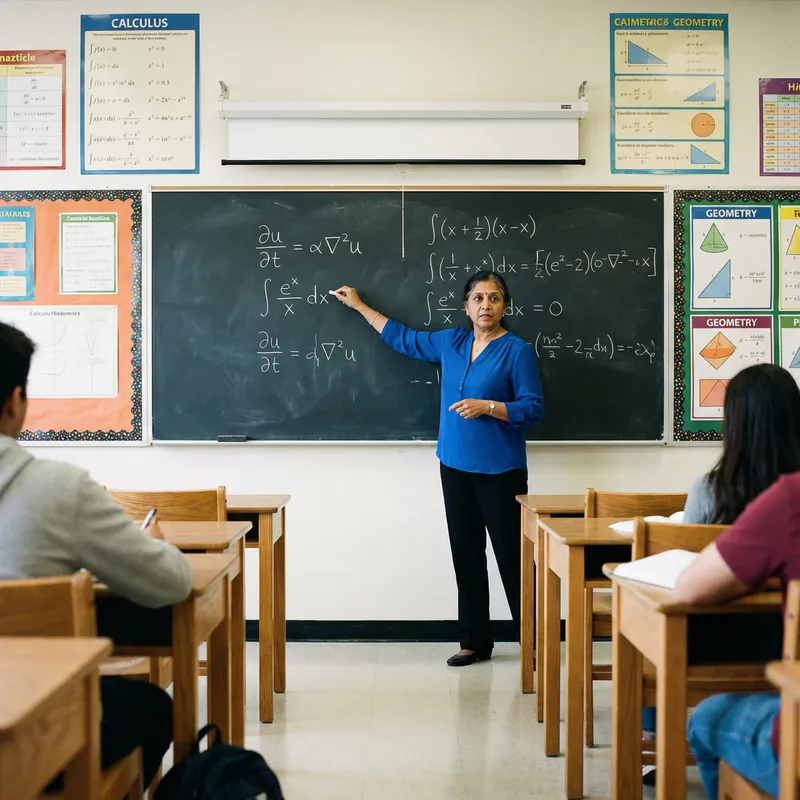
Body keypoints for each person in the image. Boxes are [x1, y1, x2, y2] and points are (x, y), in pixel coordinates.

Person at [0, 321, 193, 790]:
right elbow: (173, 583)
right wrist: (160, 546)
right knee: (152, 708)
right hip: (35, 725)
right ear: (16, 402)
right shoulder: (58, 489)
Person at [333, 271, 544, 666]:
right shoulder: (452, 342)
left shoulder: (517, 351)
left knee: (513, 559)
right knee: (466, 554)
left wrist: (491, 407)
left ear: (505, 306)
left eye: (494, 298)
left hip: (501, 472)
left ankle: (535, 643)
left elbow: (533, 407)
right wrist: (360, 307)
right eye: (478, 298)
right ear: (466, 306)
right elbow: (404, 338)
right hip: (454, 467)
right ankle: (474, 642)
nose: (486, 305)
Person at [641, 363, 800, 784]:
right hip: (782, 642)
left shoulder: (718, 490)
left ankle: (650, 737)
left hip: (719, 637)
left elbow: (688, 579)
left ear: (734, 424)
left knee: (652, 633)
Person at [673, 469, 800, 799]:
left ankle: (649, 735)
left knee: (706, 717)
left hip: (794, 745)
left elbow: (689, 587)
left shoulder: (790, 499)